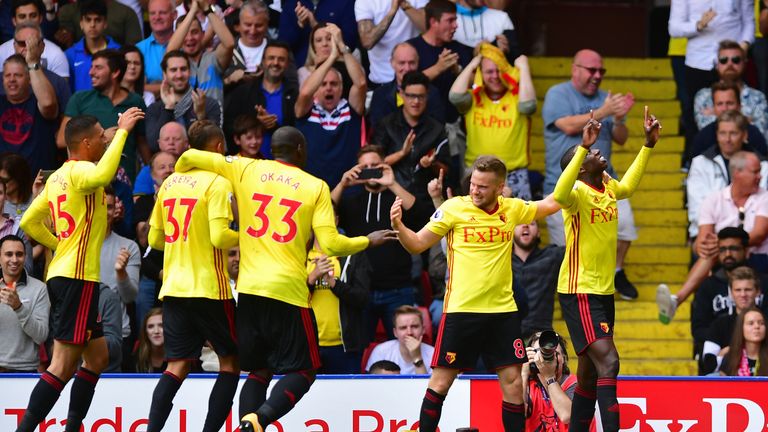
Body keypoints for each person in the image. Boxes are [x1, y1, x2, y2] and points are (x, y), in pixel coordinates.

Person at [173, 125, 397, 432]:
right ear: (301, 150)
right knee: (305, 371)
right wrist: (366, 241)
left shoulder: (245, 167)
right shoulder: (315, 186)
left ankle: (246, 427)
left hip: (250, 291)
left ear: (273, 148)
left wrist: (186, 178)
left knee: (258, 370)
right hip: (288, 292)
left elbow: (186, 157)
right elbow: (330, 244)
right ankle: (259, 420)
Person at [389, 153, 561, 431]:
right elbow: (417, 244)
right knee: (441, 383)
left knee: (514, 384)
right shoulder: (454, 208)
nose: (475, 190)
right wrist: (399, 226)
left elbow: (553, 202)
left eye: (482, 186)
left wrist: (577, 165)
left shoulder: (512, 209)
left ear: (499, 186)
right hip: (461, 311)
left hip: (502, 312)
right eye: (473, 184)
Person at [15, 107, 144, 432]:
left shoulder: (59, 176)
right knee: (62, 364)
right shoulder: (81, 172)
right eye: (100, 137)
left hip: (67, 274)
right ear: (86, 144)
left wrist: (59, 243)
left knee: (97, 358)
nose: (106, 139)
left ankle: (73, 427)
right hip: (76, 280)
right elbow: (102, 176)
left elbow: (29, 220)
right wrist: (125, 132)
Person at [553, 108, 660, 432]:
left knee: (587, 375)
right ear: (582, 166)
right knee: (610, 362)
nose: (600, 152)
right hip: (579, 290)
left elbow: (627, 188)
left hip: (603, 291)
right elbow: (557, 193)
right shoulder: (575, 195)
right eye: (594, 152)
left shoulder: (607, 186)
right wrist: (583, 146)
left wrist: (648, 144)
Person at [145, 120, 239, 432]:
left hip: (173, 287)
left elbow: (155, 240)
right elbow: (220, 237)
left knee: (177, 365)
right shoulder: (217, 183)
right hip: (209, 288)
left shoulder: (170, 183)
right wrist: (250, 235)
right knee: (230, 362)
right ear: (217, 148)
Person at [542, 48, 638, 300]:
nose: (597, 75)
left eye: (601, 71)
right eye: (591, 70)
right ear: (575, 69)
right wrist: (605, 111)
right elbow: (568, 125)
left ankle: (616, 271)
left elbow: (622, 138)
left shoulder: (606, 98)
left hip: (605, 182)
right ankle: (570, 291)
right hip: (565, 183)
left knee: (625, 228)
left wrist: (618, 119)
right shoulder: (558, 94)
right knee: (566, 245)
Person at [658, 151, 768, 323]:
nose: (760, 176)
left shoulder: (764, 196)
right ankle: (675, 301)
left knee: (721, 248)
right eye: (755, 171)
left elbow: (760, 234)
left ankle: (678, 299)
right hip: (721, 258)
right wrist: (709, 245)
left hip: (757, 258)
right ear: (738, 173)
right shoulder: (714, 199)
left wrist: (727, 242)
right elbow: (704, 239)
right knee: (707, 251)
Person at [332, 146, 425, 341]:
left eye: (375, 165)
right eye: (364, 166)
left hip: (398, 288)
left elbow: (422, 216)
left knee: (406, 346)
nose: (370, 169)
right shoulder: (351, 200)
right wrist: (343, 184)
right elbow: (325, 212)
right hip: (360, 290)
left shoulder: (397, 197)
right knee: (358, 348)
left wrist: (391, 183)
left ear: (384, 165)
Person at [669, 0, 755, 163]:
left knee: (735, 110)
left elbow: (749, 22)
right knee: (691, 114)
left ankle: (742, 159)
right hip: (698, 60)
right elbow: (674, 28)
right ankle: (694, 161)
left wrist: (743, 46)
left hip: (732, 61)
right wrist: (698, 24)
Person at [449, 42, 536, 199]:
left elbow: (529, 106)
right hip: (477, 175)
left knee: (520, 223)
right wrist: (474, 63)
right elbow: (455, 96)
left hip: (514, 174)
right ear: (480, 73)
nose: (495, 76)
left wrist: (524, 69)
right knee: (477, 222)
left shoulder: (517, 95)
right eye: (489, 72)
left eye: (499, 70)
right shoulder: (473, 97)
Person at [59, 49, 150, 181]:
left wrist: (150, 174)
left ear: (115, 72)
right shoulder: (80, 99)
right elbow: (62, 140)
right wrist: (101, 137)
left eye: (98, 68)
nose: (91, 72)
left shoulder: (136, 101)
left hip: (125, 182)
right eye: (91, 67)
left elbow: (142, 143)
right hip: (88, 180)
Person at [295, 37, 366, 189]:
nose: (328, 88)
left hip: (348, 188)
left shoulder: (350, 108)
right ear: (316, 89)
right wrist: (332, 58)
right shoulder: (306, 109)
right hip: (312, 188)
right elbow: (305, 92)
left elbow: (360, 83)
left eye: (334, 84)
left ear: (341, 88)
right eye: (323, 84)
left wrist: (342, 47)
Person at [371, 70, 450, 206]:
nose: (416, 101)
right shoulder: (386, 124)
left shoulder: (436, 128)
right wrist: (401, 153)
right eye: (411, 96)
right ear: (401, 94)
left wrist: (432, 163)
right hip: (392, 198)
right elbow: (374, 165)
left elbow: (446, 170)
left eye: (421, 96)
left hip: (425, 199)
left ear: (427, 96)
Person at [689, 227, 768, 353]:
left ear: (746, 250)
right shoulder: (708, 286)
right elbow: (698, 329)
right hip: (718, 353)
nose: (728, 254)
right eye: (722, 249)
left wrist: (745, 345)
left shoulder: (764, 282)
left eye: (733, 249)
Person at [307, 233, 372, 374]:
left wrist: (332, 282)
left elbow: (362, 298)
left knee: (347, 395)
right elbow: (289, 298)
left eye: (328, 215)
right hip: (307, 346)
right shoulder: (299, 253)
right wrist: (312, 277)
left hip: (345, 346)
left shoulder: (353, 252)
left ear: (336, 219)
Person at [224, 40, 296, 158]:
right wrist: (255, 123)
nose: (276, 63)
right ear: (263, 61)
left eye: (281, 59)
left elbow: (297, 133)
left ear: (287, 64)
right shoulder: (243, 91)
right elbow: (228, 126)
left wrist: (274, 126)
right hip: (247, 167)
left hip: (281, 168)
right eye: (271, 58)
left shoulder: (293, 94)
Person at [406, 0, 472, 127]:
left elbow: (475, 82)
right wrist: (438, 68)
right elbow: (405, 84)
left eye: (455, 20)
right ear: (433, 22)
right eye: (450, 20)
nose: (456, 25)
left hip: (453, 124)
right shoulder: (411, 48)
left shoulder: (458, 49)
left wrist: (458, 70)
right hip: (420, 126)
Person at [100, 186, 141, 371]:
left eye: (108, 207)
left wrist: (121, 273)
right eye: (100, 206)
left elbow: (130, 297)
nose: (105, 212)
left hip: (117, 335)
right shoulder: (76, 246)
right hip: (81, 335)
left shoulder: (128, 246)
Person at [145, 50, 222, 147]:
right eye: (173, 70)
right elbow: (154, 145)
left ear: (190, 71)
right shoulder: (154, 109)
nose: (179, 75)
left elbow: (213, 144)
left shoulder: (208, 104)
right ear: (164, 74)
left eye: (183, 69)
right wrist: (168, 109)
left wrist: (201, 116)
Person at [166, 0, 235, 107]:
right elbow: (170, 51)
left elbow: (229, 44)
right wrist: (192, 11)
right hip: (183, 122)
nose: (190, 38)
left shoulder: (213, 58)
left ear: (203, 34)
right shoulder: (177, 64)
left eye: (194, 32)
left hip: (212, 122)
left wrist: (207, 10)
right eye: (185, 33)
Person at [693, 40, 768, 138]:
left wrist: (717, 115)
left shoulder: (758, 97)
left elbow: (759, 133)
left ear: (744, 63)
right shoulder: (703, 96)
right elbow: (706, 131)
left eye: (736, 60)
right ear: (717, 64)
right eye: (724, 60)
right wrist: (745, 119)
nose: (729, 64)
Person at [0, 53, 58, 178]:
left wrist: (32, 63)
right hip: (3, 189)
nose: (12, 79)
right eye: (7, 75)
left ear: (29, 78)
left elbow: (48, 103)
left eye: (18, 75)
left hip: (37, 186)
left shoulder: (39, 102)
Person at [0, 234, 49, 373]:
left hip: (25, 371)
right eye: (9, 254)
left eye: (19, 254)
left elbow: (41, 336)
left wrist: (19, 307)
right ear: (0, 257)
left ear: (26, 257)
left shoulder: (39, 289)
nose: (14, 259)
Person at [368, 42, 445, 128]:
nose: (407, 68)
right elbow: (377, 130)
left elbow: (437, 128)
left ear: (418, 62)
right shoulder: (380, 94)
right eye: (402, 63)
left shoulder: (432, 93)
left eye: (411, 63)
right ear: (392, 63)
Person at [701, 266, 762, 374]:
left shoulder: (764, 323)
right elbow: (707, 364)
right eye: (738, 290)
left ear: (758, 292)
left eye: (748, 290)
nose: (743, 294)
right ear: (731, 293)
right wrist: (729, 355)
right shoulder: (719, 325)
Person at [2, 22, 71, 116]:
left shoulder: (57, 82)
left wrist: (32, 62)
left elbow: (66, 119)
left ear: (42, 47)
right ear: (14, 46)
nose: (28, 49)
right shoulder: (3, 79)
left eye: (33, 44)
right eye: (22, 43)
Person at [355, 0, 426, 86]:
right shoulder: (365, 2)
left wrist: (404, 5)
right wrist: (392, 11)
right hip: (382, 79)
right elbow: (367, 42)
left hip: (414, 76)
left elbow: (427, 28)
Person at [690, 80, 768, 159]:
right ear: (714, 108)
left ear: (739, 106)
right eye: (720, 104)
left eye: (729, 103)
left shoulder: (754, 135)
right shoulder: (702, 138)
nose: (725, 108)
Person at [512, 221, 564, 339]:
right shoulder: (500, 261)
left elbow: (579, 247)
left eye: (532, 224)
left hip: (540, 336)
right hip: (507, 336)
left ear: (539, 233)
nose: (525, 226)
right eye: (519, 223)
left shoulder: (552, 256)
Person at [522, 331, 581, 432]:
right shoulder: (529, 385)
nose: (544, 359)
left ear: (564, 359)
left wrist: (549, 377)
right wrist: (523, 374)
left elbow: (566, 416)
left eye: (555, 354)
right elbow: (516, 416)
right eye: (539, 353)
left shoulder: (575, 384)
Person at [0, 0, 70, 79]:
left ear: (40, 18)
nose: (28, 20)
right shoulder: (1, 53)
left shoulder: (56, 54)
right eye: (22, 16)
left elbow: (61, 90)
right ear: (14, 21)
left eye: (33, 16)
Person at [278, 0, 358, 67]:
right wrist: (299, 26)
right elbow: (282, 46)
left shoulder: (344, 2)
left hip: (335, 69)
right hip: (299, 70)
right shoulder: (291, 3)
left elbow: (350, 43)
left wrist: (315, 25)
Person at [297, 22, 366, 98]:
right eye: (319, 40)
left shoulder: (352, 67)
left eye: (329, 39)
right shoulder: (303, 72)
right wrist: (320, 65)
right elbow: (306, 97)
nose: (324, 44)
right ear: (313, 47)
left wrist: (341, 44)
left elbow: (361, 84)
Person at [65, 0, 121, 93]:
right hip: (80, 107)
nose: (92, 25)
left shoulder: (118, 52)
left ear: (105, 23)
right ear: (81, 23)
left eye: (98, 20)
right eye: (88, 19)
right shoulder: (70, 55)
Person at [365, 305, 434, 375]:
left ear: (423, 330)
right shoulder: (381, 351)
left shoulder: (433, 354)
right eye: (403, 328)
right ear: (395, 332)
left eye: (415, 326)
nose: (409, 332)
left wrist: (417, 357)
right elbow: (371, 384)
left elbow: (426, 386)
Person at [135, 122, 189, 194]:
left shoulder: (192, 169)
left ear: (186, 143)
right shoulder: (147, 172)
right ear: (159, 143)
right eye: (166, 139)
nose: (171, 142)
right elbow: (139, 201)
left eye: (176, 139)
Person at [224, 0, 269, 83]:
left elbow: (291, 85)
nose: (253, 31)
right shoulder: (226, 50)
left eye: (258, 25)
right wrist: (230, 80)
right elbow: (213, 90)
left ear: (266, 25)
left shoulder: (279, 50)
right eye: (248, 25)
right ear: (239, 25)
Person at [137, 0, 177, 91]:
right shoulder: (139, 49)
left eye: (162, 13)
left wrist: (150, 87)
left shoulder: (186, 44)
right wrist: (173, 86)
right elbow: (135, 89)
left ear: (174, 15)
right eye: (152, 13)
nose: (157, 17)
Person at [720, 306, 768, 376]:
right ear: (741, 328)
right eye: (751, 323)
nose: (757, 326)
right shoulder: (730, 357)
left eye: (761, 323)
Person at [134, 307, 166, 373]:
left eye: (161, 326)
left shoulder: (179, 358)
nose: (156, 331)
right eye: (151, 326)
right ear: (145, 331)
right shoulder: (137, 357)